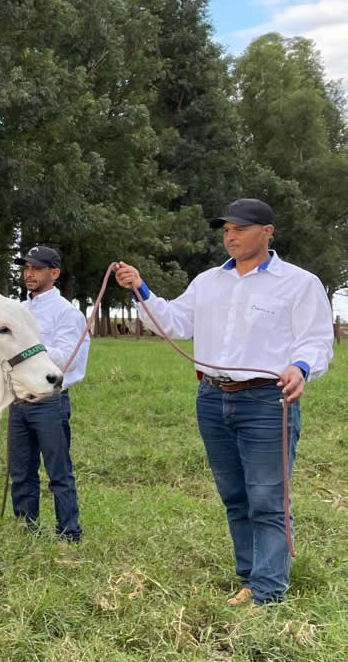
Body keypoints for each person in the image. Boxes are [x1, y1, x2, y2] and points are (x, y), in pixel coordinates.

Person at [115, 198, 334, 606]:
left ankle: (268, 591)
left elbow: (317, 339)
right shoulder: (208, 282)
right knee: (234, 494)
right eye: (226, 229)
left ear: (267, 231)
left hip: (268, 400)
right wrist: (140, 288)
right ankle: (249, 576)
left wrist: (301, 367)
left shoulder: (300, 283)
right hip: (212, 399)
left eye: (240, 228)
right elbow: (176, 322)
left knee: (267, 497)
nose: (230, 235)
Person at [9, 245, 88, 542]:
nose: (29, 273)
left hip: (49, 401)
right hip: (18, 401)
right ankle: (26, 530)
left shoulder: (67, 313)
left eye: (37, 268)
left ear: (53, 273)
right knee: (21, 471)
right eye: (26, 267)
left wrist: (28, 343)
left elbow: (65, 359)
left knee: (59, 472)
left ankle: (69, 532)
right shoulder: (19, 311)